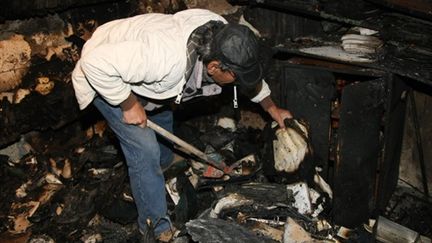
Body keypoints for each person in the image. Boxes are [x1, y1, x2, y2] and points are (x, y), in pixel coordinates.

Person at [71, 8, 292, 242]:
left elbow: (247, 74)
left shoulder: (224, 36)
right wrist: (127, 104)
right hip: (105, 75)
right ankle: (155, 227)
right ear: (214, 67)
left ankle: (165, 166)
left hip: (143, 72)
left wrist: (271, 108)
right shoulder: (165, 59)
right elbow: (94, 63)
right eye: (236, 77)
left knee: (162, 114)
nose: (239, 82)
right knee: (144, 149)